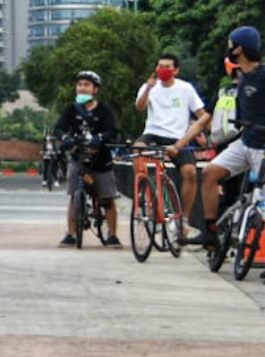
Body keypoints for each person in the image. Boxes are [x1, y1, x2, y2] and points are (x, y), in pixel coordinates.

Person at [200, 27, 265, 249]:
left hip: (263, 148)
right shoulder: (242, 77)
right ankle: (209, 231)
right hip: (245, 143)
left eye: (230, 45)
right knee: (210, 173)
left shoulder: (262, 76)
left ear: (240, 49)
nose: (228, 50)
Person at [135, 53, 210, 238]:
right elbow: (140, 106)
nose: (163, 70)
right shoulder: (149, 87)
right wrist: (147, 90)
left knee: (190, 172)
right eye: (160, 66)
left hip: (178, 137)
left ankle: (183, 219)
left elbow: (201, 113)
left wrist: (204, 131)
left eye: (167, 67)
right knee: (137, 148)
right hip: (153, 132)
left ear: (176, 70)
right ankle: (142, 193)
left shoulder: (185, 88)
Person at [54, 69, 121, 247]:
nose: (82, 88)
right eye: (79, 85)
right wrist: (65, 139)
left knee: (107, 198)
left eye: (87, 85)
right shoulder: (71, 109)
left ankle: (113, 235)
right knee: (74, 196)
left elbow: (112, 130)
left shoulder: (104, 110)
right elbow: (59, 128)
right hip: (79, 157)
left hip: (100, 159)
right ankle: (71, 233)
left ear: (95, 89)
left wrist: (101, 138)